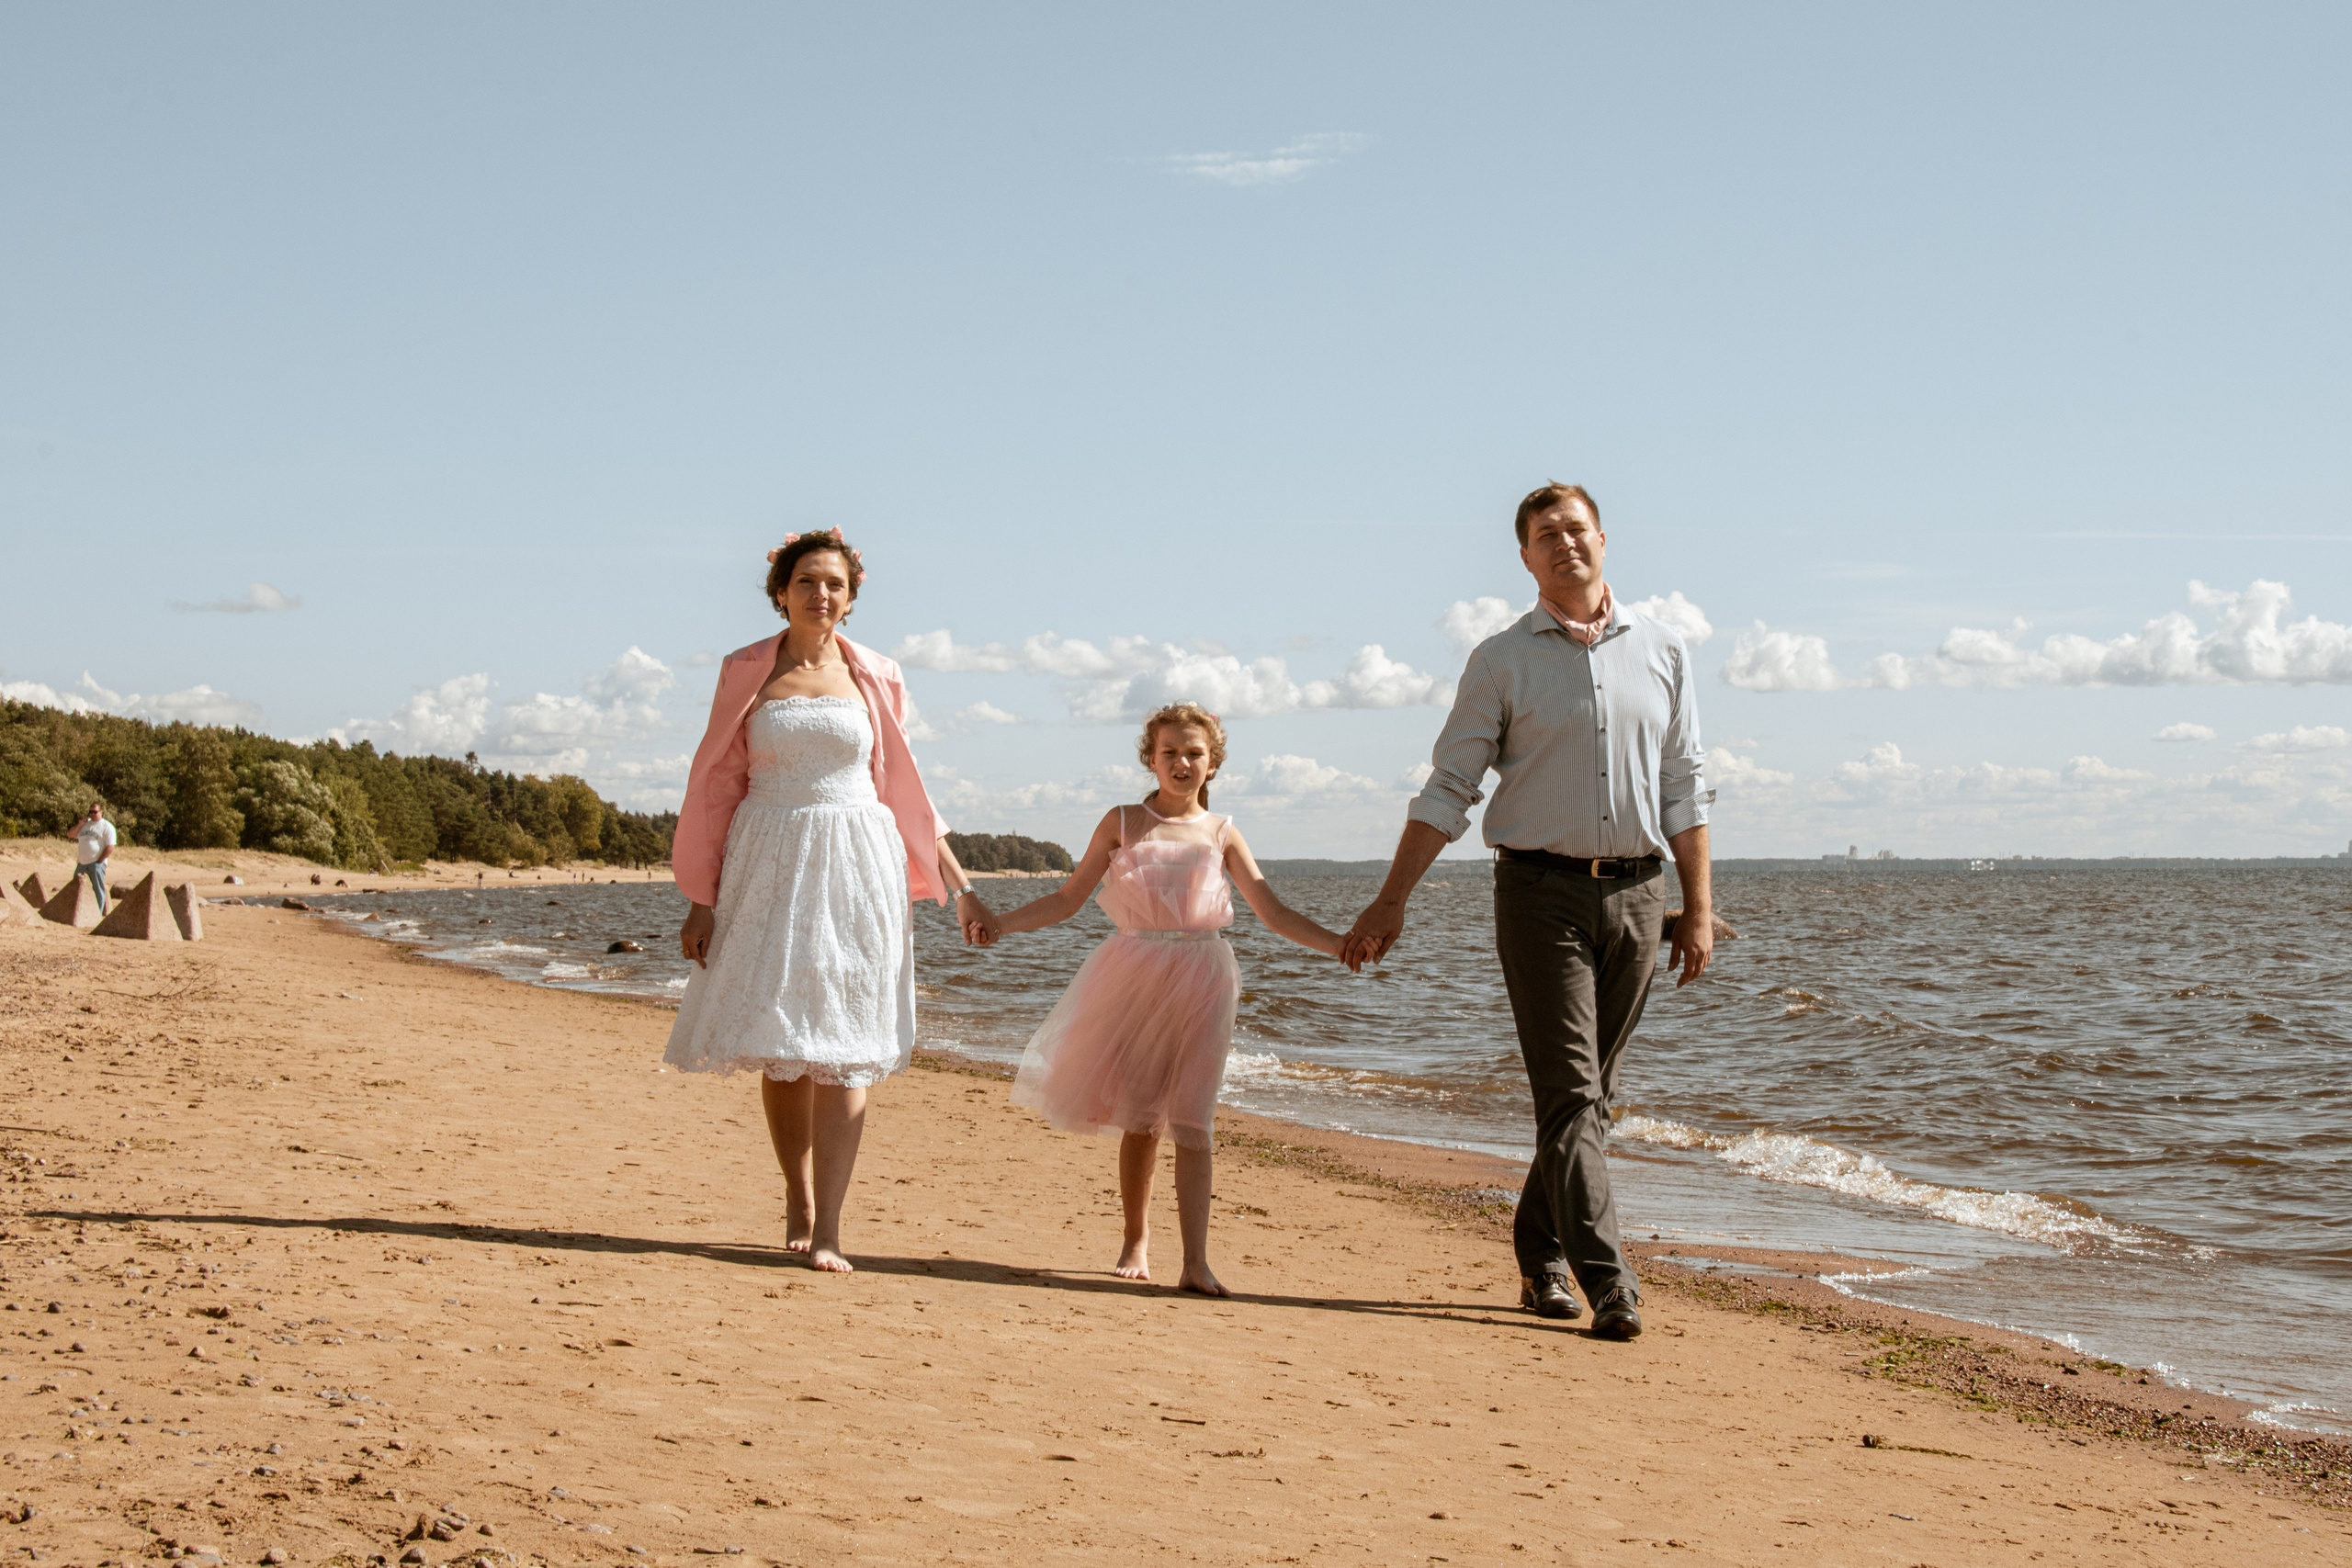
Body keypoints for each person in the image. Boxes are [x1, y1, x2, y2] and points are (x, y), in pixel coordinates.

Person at [1341, 483, 1713, 1341]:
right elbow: (1450, 786)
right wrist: (1392, 897)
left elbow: (1684, 783)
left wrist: (1697, 906)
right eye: (1546, 535)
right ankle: (1609, 1281)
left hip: (1637, 890)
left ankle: (1539, 1252)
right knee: (1574, 1091)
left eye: (1576, 529)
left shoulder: (1664, 648)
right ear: (1525, 557)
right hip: (1538, 893)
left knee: (1590, 1099)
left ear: (1604, 539)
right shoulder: (1501, 660)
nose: (1565, 544)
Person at [666, 528, 996, 1274]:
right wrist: (701, 898)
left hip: (857, 861)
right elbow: (718, 788)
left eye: (835, 584)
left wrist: (964, 887)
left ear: (852, 597)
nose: (822, 595)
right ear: (781, 590)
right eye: (808, 581)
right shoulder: (745, 669)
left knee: (845, 1046)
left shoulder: (877, 673)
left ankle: (831, 1230)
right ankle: (797, 1194)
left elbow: (907, 794)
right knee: (782, 1043)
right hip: (766, 857)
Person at [988, 703, 1345, 1296]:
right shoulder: (1124, 820)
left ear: (1214, 761)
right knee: (1141, 1115)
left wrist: (1340, 946)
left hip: (1205, 973)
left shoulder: (1222, 830)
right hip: (1134, 969)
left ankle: (1196, 1261)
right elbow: (1067, 899)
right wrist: (1001, 924)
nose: (1182, 762)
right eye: (1170, 752)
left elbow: (1272, 910)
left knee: (1194, 1118)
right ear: (1150, 758)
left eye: (1194, 753)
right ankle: (1135, 1237)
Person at [74, 802, 116, 914]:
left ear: (101, 812)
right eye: (90, 812)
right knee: (75, 887)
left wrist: (100, 861)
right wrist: (79, 824)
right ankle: (77, 912)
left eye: (95, 812)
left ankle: (98, 912)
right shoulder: (85, 825)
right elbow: (70, 834)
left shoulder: (107, 826)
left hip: (96, 863)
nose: (92, 814)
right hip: (82, 863)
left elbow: (111, 846)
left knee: (97, 888)